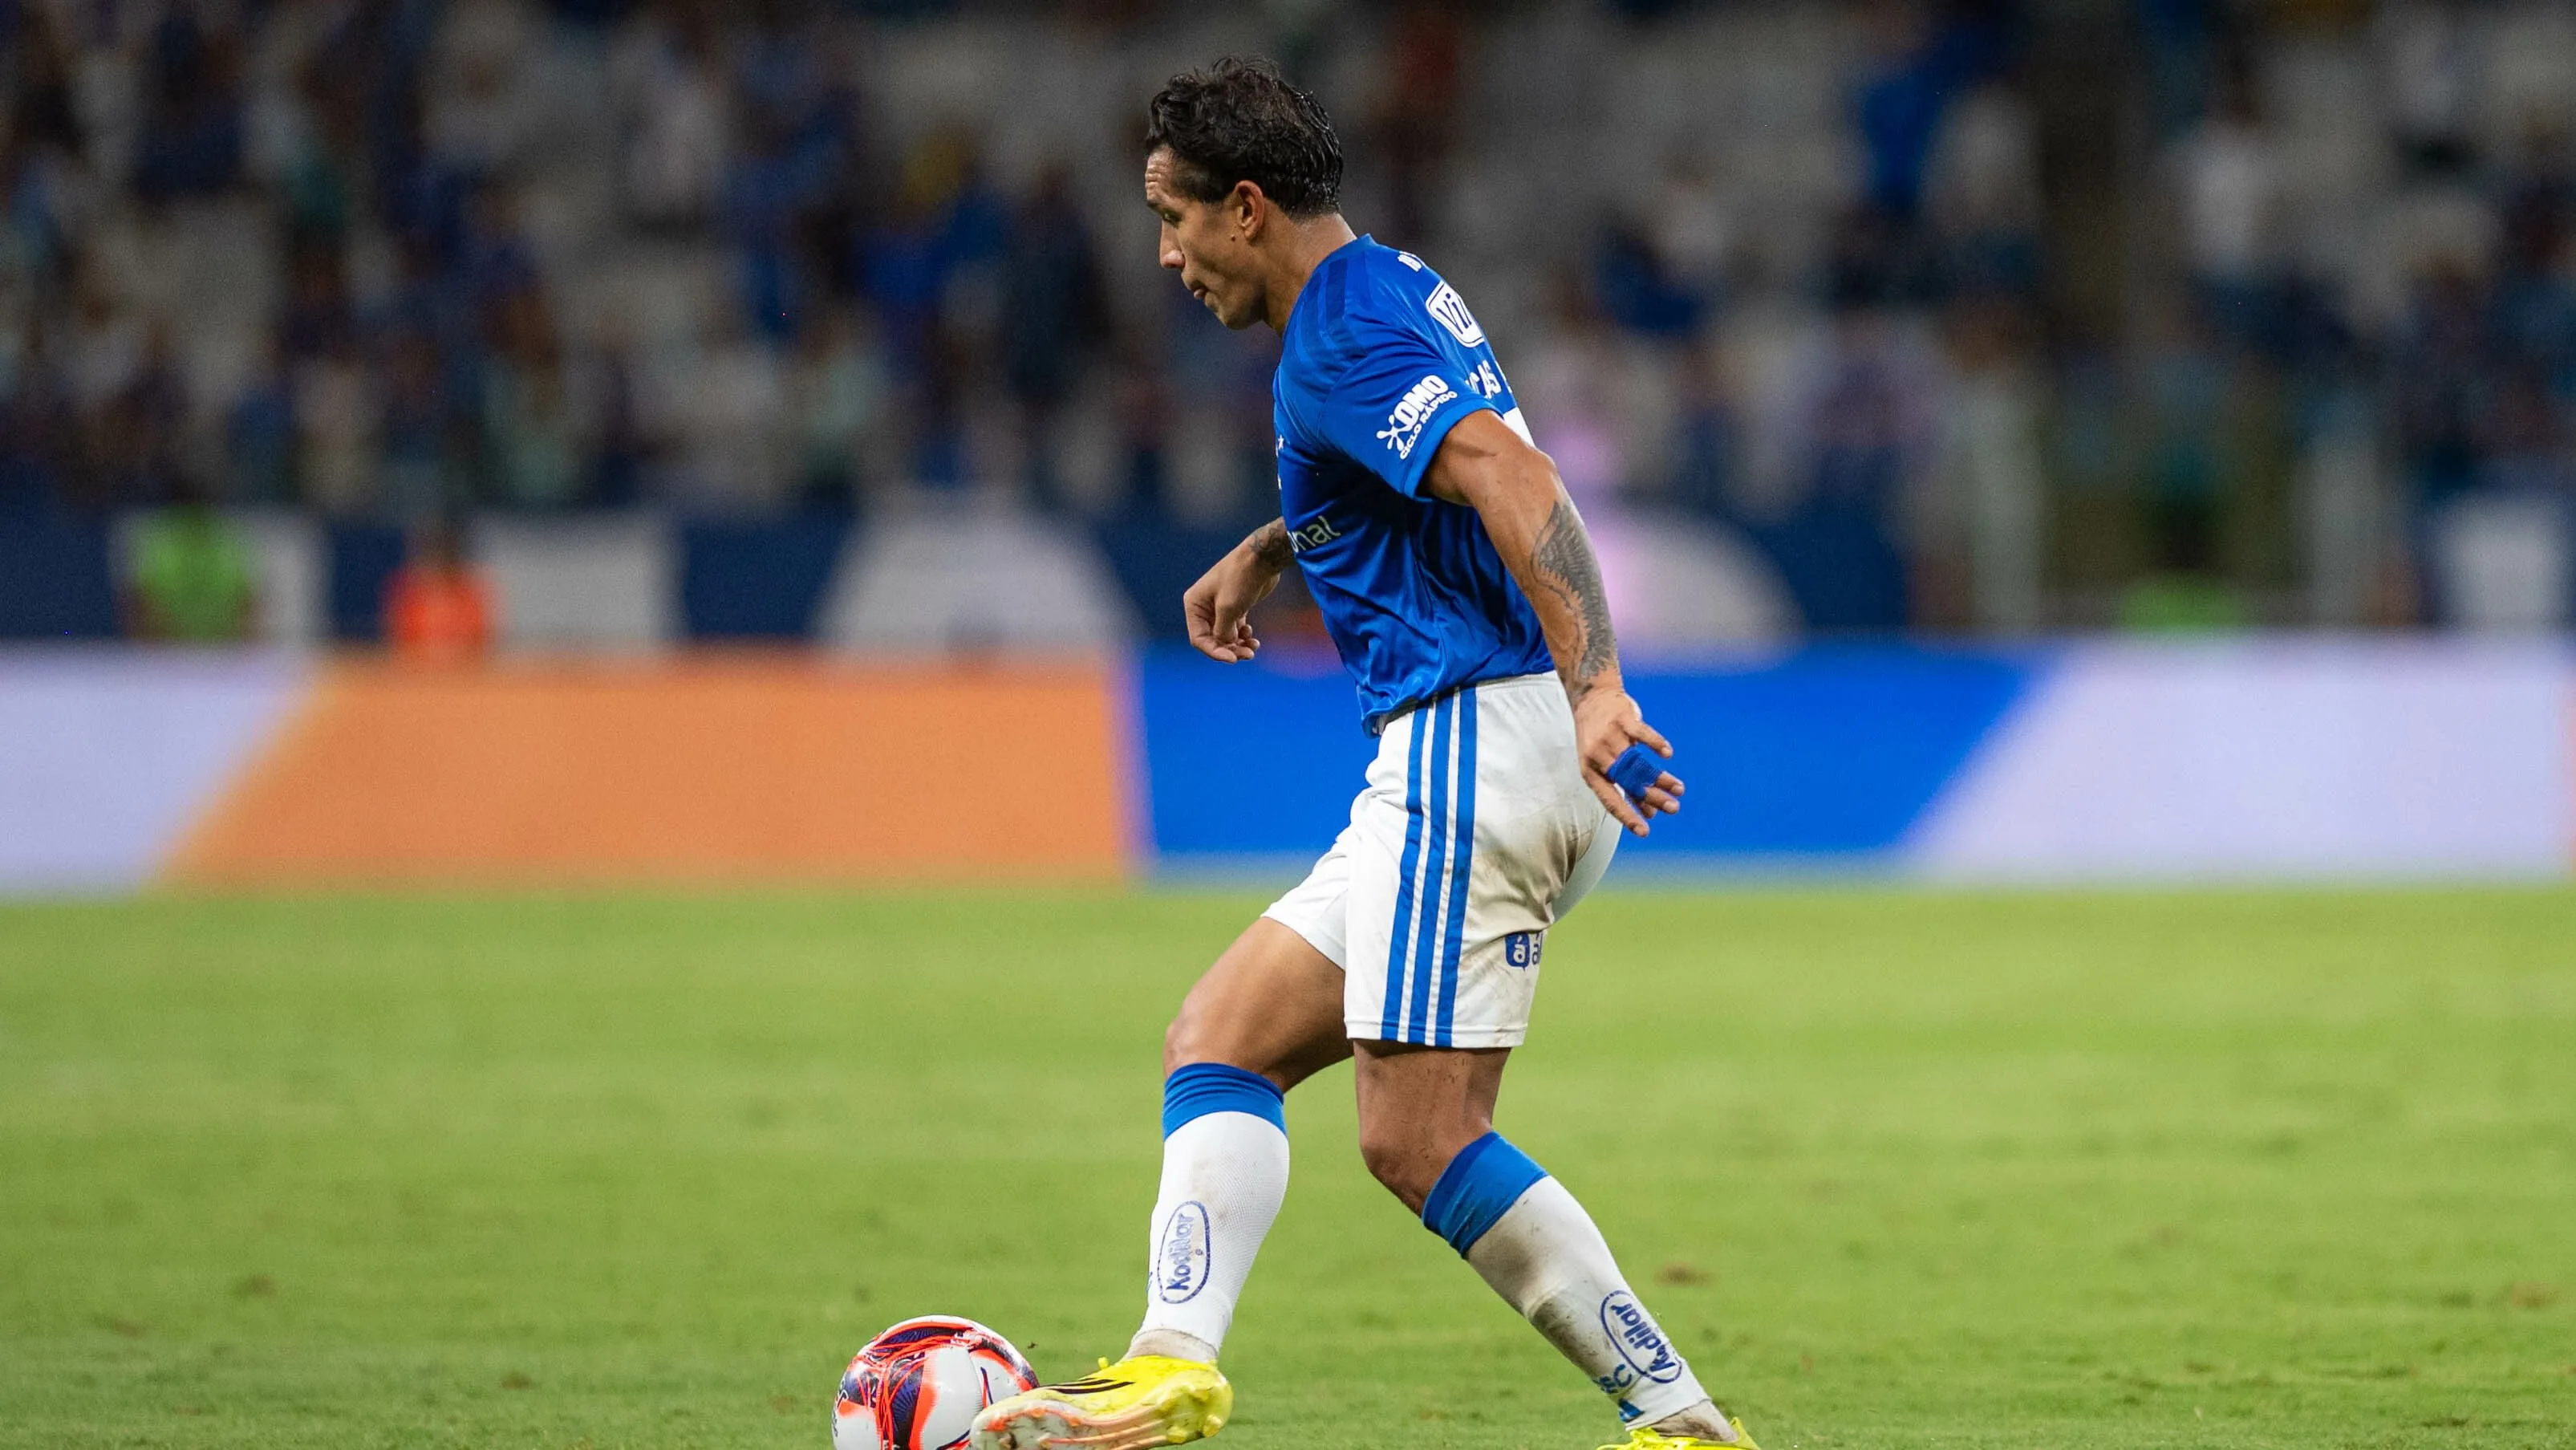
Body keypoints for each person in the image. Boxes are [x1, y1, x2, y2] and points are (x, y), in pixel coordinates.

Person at [972, 59, 1756, 1450]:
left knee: (1419, 1134)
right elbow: (1436, 463)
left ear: (1248, 207)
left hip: (1478, 737)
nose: (1163, 253)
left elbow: (1516, 475)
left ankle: (1676, 1415)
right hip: (1487, 750)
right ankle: (1169, 1361)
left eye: (1174, 217)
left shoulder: (1337, 340)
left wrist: (1598, 685)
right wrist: (1281, 542)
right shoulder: (1383, 285)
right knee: (1218, 1039)